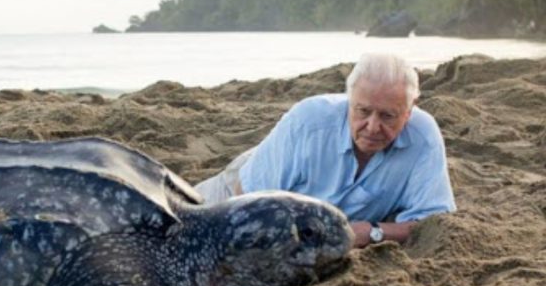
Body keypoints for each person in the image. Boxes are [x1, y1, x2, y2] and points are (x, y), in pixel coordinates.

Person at [195, 53, 456, 248]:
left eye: (387, 116)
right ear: (349, 101)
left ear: (409, 111)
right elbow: (248, 198)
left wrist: (373, 231)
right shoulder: (309, 121)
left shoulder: (423, 137)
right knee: (180, 220)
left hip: (316, 223)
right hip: (244, 182)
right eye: (363, 111)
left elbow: (434, 224)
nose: (373, 127)